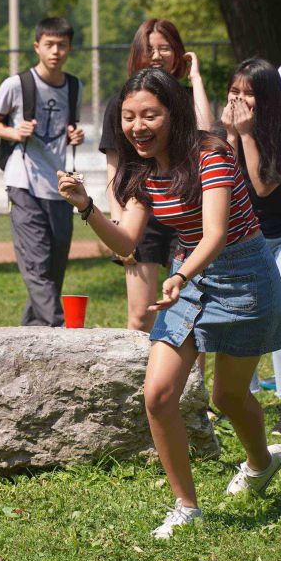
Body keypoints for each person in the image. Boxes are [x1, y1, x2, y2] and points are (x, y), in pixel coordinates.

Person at [60, 67, 281, 539]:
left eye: (150, 115)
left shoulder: (211, 155)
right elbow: (126, 242)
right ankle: (187, 507)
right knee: (158, 395)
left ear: (173, 114)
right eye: (128, 117)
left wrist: (180, 275)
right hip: (188, 277)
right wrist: (86, 206)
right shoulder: (142, 171)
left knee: (228, 397)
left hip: (243, 274)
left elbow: (217, 234)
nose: (137, 126)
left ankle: (261, 462)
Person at [99, 19, 213, 333]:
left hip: (186, 211)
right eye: (149, 48)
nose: (156, 55)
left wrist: (196, 78)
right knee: (141, 316)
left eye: (165, 48)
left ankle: (187, 369)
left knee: (191, 315)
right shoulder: (122, 103)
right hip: (142, 214)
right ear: (137, 53)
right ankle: (141, 367)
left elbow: (206, 134)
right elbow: (114, 167)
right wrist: (118, 220)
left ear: (178, 53)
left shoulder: (188, 98)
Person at [218, 59, 281, 435]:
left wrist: (245, 135)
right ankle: (243, 400)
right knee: (241, 315)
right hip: (248, 237)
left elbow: (262, 186)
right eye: (234, 91)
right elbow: (223, 183)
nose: (240, 100)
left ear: (268, 96)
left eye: (249, 93)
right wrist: (230, 136)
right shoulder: (228, 131)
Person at [0, 17, 84, 327]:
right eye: (49, 45)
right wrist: (15, 132)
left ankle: (35, 328)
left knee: (54, 264)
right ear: (37, 46)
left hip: (59, 185)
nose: (56, 52)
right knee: (36, 261)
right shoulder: (17, 84)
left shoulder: (74, 86)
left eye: (62, 45)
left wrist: (74, 135)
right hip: (23, 180)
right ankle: (58, 325)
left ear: (69, 48)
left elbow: (66, 127)